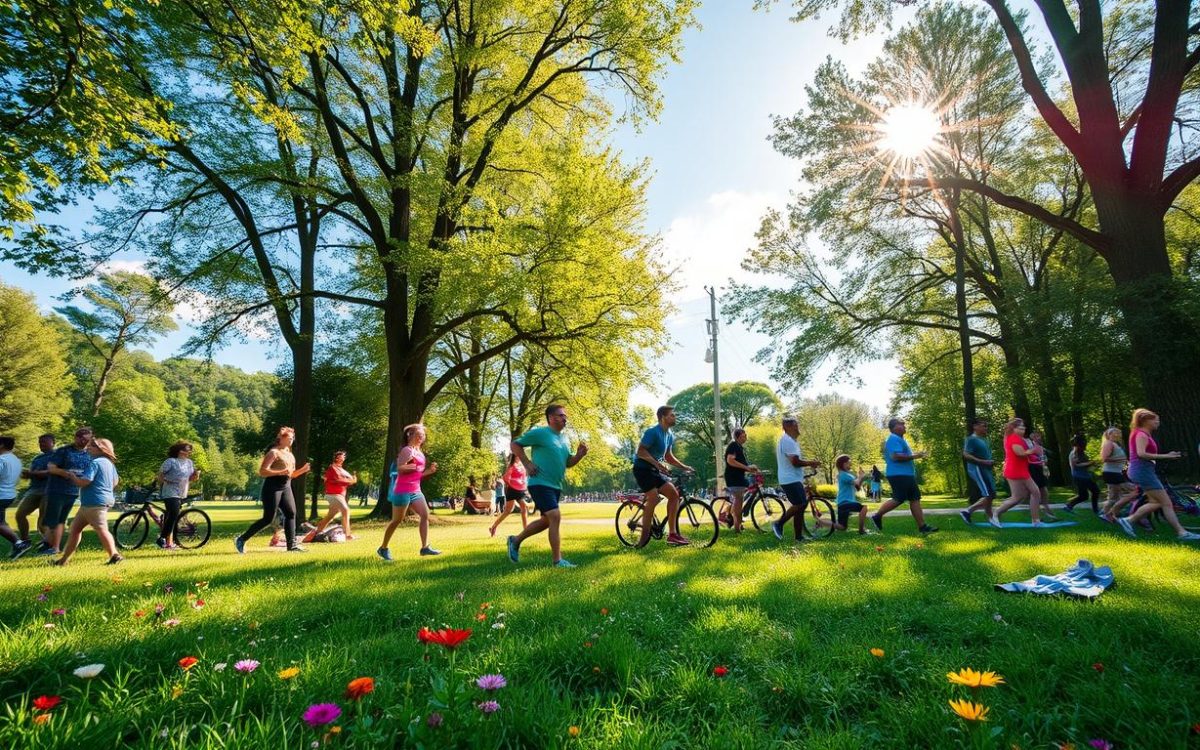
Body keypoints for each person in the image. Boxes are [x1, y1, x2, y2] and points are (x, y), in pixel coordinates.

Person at [507, 404, 588, 567]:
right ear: (551, 418)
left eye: (565, 416)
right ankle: (558, 561)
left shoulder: (564, 439)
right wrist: (527, 463)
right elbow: (515, 445)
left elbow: (568, 462)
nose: (564, 418)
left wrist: (579, 455)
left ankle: (515, 541)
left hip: (555, 486)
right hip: (539, 483)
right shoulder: (541, 433)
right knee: (555, 516)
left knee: (546, 521)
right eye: (560, 415)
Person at [1116, 409, 1200, 541]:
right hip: (1142, 471)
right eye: (1155, 419)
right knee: (1166, 503)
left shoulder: (1143, 434)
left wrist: (1165, 457)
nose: (1158, 422)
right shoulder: (1141, 434)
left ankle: (1128, 520)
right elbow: (1141, 454)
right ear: (1145, 420)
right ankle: (1182, 533)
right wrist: (1166, 456)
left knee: (1156, 502)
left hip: (1144, 471)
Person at [235, 427, 310, 553]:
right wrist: (281, 472)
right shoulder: (274, 453)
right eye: (289, 438)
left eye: (293, 438)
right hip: (272, 487)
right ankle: (241, 539)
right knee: (268, 518)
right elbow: (262, 471)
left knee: (291, 513)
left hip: (286, 486)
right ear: (281, 438)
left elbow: (291, 474)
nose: (292, 440)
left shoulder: (290, 455)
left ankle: (292, 546)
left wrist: (302, 470)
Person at [49, 438, 122, 566]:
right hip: (93, 503)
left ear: (101, 449)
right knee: (75, 530)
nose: (88, 448)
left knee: (101, 529)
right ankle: (63, 560)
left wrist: (72, 476)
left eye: (92, 446)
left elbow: (85, 482)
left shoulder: (95, 463)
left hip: (94, 502)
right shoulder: (110, 464)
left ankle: (115, 555)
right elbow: (115, 482)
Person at [631, 406, 693, 548]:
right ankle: (642, 540)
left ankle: (672, 535)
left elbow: (668, 456)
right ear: (662, 417)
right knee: (654, 499)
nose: (674, 417)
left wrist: (684, 467)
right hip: (642, 469)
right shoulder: (652, 432)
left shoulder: (670, 435)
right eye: (672, 415)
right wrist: (657, 464)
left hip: (654, 469)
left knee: (674, 495)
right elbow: (640, 452)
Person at [378, 424, 440, 560]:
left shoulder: (419, 452)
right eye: (418, 435)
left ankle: (425, 548)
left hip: (416, 490)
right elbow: (400, 469)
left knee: (424, 515)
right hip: (402, 489)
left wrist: (429, 471)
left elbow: (417, 474)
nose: (421, 438)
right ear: (410, 435)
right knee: (397, 520)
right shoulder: (407, 450)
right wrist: (410, 466)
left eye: (423, 435)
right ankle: (383, 548)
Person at [870, 418, 938, 534]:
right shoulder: (893, 439)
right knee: (899, 499)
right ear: (894, 427)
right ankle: (877, 516)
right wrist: (916, 456)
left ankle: (922, 526)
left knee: (915, 498)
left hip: (907, 474)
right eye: (901, 424)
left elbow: (904, 454)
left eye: (904, 424)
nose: (904, 426)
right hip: (898, 474)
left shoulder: (901, 439)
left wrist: (916, 454)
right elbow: (896, 456)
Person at [769, 416, 824, 541]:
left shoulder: (791, 441)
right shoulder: (787, 440)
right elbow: (794, 462)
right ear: (787, 427)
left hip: (792, 478)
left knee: (801, 506)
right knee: (800, 503)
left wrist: (807, 468)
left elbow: (794, 462)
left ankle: (798, 537)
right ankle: (778, 523)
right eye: (795, 425)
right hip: (789, 479)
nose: (798, 428)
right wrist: (811, 463)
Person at [43, 427, 95, 556]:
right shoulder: (64, 451)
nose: (84, 442)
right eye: (82, 439)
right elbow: (51, 468)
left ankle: (53, 547)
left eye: (87, 440)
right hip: (57, 489)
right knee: (53, 520)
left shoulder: (89, 454)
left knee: (59, 520)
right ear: (76, 437)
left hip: (74, 491)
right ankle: (49, 544)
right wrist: (65, 473)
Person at [992, 418, 1047, 527]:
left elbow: (1027, 455)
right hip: (1014, 470)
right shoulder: (1013, 438)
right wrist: (1034, 450)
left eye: (1024, 428)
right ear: (1014, 428)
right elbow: (1020, 453)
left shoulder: (1019, 439)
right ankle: (995, 514)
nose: (1023, 430)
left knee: (1033, 493)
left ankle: (1036, 521)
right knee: (1018, 497)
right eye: (1020, 428)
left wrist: (1039, 458)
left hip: (1022, 470)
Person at [13, 433, 54, 555]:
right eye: (40, 443)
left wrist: (32, 473)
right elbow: (33, 474)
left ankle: (50, 546)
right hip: (34, 490)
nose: (41, 444)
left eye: (44, 442)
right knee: (20, 514)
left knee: (43, 521)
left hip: (50, 491)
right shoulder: (37, 458)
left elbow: (50, 473)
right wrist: (24, 474)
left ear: (53, 443)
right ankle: (25, 542)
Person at [156, 441, 199, 549]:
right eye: (188, 449)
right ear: (180, 451)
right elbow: (160, 475)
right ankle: (162, 538)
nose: (190, 452)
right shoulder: (171, 461)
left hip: (182, 492)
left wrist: (196, 475)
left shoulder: (189, 463)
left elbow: (191, 478)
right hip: (170, 492)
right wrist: (165, 480)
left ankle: (170, 542)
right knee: (174, 513)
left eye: (190, 450)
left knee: (172, 516)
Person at [307, 450, 358, 543]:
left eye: (344, 456)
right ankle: (348, 535)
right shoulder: (332, 468)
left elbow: (349, 479)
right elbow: (338, 479)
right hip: (333, 494)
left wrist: (353, 479)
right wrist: (351, 481)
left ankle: (316, 532)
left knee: (330, 516)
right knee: (345, 510)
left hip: (340, 495)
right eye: (342, 456)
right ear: (336, 458)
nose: (343, 457)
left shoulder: (342, 469)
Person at [960, 418, 998, 526]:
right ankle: (969, 511)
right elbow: (966, 455)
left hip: (986, 469)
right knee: (989, 494)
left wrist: (990, 463)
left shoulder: (985, 440)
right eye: (983, 425)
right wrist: (983, 462)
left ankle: (990, 518)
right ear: (975, 426)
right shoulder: (971, 439)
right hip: (977, 468)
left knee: (991, 494)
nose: (986, 428)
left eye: (986, 426)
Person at [0, 436, 31, 558]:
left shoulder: (2, 460)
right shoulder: (16, 460)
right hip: (9, 494)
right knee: (1, 522)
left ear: (1, 445)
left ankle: (19, 543)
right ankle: (18, 544)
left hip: (1, 494)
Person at [723, 428, 758, 533]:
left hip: (740, 477)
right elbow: (730, 460)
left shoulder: (740, 448)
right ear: (737, 437)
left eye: (745, 435)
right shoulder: (733, 446)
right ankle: (737, 528)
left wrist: (752, 468)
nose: (745, 437)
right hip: (733, 477)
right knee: (739, 502)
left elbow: (742, 465)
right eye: (743, 436)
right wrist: (747, 468)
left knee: (744, 497)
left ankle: (730, 514)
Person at [1098, 427, 1136, 522]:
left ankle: (1106, 514)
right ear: (1109, 434)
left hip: (1117, 472)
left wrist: (1126, 468)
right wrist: (1121, 460)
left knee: (1114, 497)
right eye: (1115, 433)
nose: (1118, 435)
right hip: (1111, 473)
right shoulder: (1108, 443)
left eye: (1119, 433)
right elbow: (1103, 459)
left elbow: (1123, 462)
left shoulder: (1116, 444)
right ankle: (1107, 513)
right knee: (1134, 490)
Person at [489, 454, 529, 537]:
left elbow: (524, 477)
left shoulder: (521, 465)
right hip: (513, 490)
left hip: (520, 489)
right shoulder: (512, 465)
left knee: (508, 511)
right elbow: (505, 477)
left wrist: (524, 485)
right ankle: (526, 530)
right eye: (518, 455)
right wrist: (511, 484)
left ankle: (493, 527)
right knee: (523, 506)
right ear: (515, 456)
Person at [1065, 433, 1101, 514]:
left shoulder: (1081, 452)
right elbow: (1076, 465)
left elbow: (1084, 464)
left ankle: (1069, 505)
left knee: (1084, 495)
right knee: (1093, 492)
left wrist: (1092, 464)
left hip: (1083, 476)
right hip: (1079, 476)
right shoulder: (1074, 452)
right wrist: (1090, 463)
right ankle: (1095, 510)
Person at [1025, 431, 1057, 520]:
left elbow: (1043, 459)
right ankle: (1037, 514)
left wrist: (1044, 465)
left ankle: (1046, 510)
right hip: (1033, 469)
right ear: (1033, 437)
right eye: (1037, 436)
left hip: (1039, 470)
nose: (1039, 438)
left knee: (1044, 490)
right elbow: (1028, 456)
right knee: (1035, 492)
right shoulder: (1030, 445)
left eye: (1039, 436)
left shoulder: (1041, 447)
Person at [834, 455, 869, 534]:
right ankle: (861, 530)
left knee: (842, 527)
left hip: (843, 502)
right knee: (864, 508)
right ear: (843, 464)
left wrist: (861, 478)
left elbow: (857, 487)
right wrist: (860, 476)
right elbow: (856, 482)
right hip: (845, 502)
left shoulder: (847, 475)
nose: (850, 466)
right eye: (849, 464)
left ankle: (821, 522)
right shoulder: (843, 475)